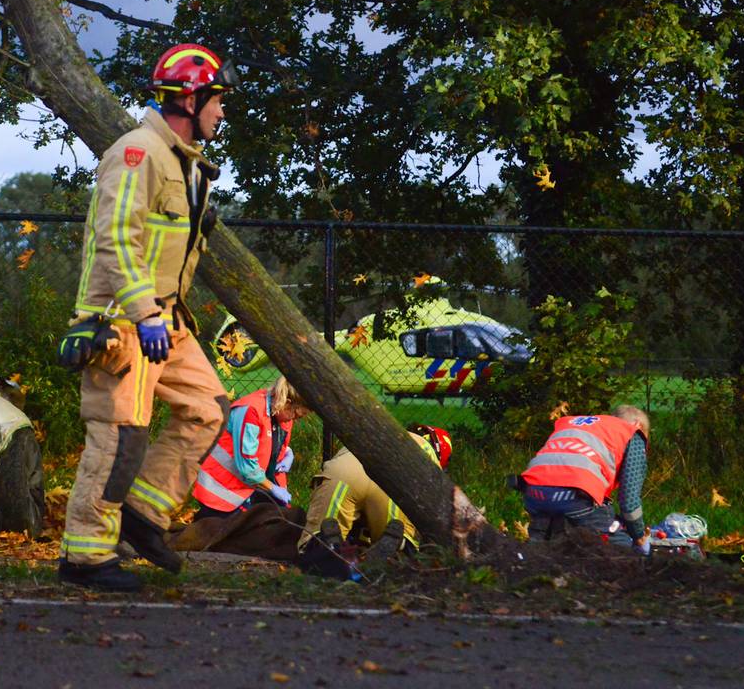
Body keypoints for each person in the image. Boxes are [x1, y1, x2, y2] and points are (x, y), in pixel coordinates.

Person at [54, 43, 240, 592]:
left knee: (209, 411)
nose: (221, 112)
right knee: (118, 442)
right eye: (217, 101)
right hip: (126, 322)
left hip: (166, 320)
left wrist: (162, 316)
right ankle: (85, 558)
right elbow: (115, 237)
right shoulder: (138, 153)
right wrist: (143, 313)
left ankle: (143, 515)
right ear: (190, 98)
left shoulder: (182, 161)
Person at [296, 425, 452, 573]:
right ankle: (394, 554)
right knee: (401, 557)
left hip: (344, 471)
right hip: (390, 483)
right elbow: (434, 504)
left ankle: (328, 546)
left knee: (315, 541)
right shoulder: (426, 450)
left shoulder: (378, 430)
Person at [517, 405, 651, 554]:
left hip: (533, 493)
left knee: (541, 551)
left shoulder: (574, 424)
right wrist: (638, 537)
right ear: (638, 425)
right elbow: (629, 502)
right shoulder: (631, 434)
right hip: (576, 494)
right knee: (619, 546)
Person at [192, 377, 314, 519]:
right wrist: (273, 488)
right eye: (297, 415)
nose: (295, 419)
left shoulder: (281, 413)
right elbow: (247, 466)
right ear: (286, 403)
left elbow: (267, 442)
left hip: (251, 488)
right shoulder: (251, 410)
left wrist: (288, 453)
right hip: (222, 492)